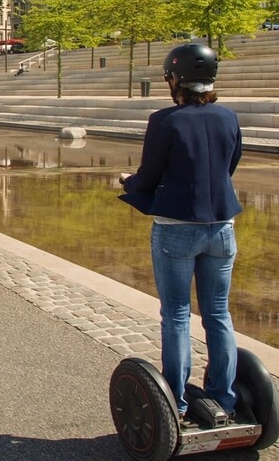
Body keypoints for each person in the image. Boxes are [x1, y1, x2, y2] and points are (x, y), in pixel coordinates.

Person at [119, 43, 242, 421]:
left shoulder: (165, 121)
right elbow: (230, 164)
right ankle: (224, 396)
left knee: (175, 314)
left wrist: (128, 182)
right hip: (222, 227)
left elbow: (150, 175)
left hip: (177, 230)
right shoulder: (228, 117)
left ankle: (177, 403)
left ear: (176, 79)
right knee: (218, 313)